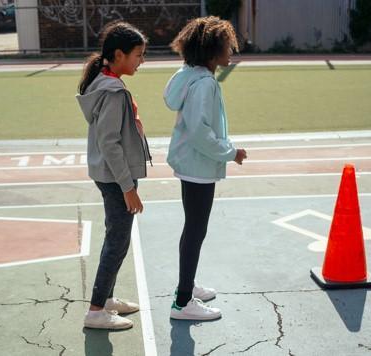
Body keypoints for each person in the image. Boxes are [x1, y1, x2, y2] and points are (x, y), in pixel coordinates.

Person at [163, 16, 247, 321]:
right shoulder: (205, 83)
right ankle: (183, 302)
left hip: (191, 164)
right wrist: (231, 152)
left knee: (194, 228)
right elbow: (201, 132)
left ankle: (187, 285)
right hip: (197, 165)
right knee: (196, 230)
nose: (231, 51)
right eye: (227, 46)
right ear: (211, 51)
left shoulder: (190, 76)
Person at [76, 21, 151, 330]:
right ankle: (96, 311)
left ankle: (106, 300)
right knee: (117, 242)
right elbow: (110, 142)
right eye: (138, 54)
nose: (142, 61)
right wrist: (127, 187)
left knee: (116, 239)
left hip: (109, 174)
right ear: (118, 55)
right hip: (115, 177)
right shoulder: (113, 90)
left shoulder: (105, 82)